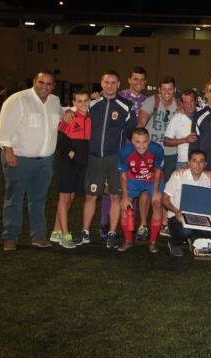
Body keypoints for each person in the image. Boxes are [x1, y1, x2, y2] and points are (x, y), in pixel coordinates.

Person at [0, 71, 63, 251]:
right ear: (34, 81)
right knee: (14, 199)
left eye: (49, 84)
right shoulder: (17, 100)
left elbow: (63, 114)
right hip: (19, 158)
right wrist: (8, 151)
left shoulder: (55, 102)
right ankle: (10, 237)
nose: (44, 86)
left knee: (39, 199)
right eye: (41, 82)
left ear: (53, 86)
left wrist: (71, 112)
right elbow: (4, 127)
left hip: (45, 161)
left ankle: (38, 235)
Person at [76, 70, 137, 248]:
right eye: (106, 82)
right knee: (90, 196)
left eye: (113, 82)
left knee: (115, 197)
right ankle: (85, 232)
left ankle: (111, 233)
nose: (109, 86)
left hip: (114, 159)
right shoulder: (92, 104)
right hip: (95, 158)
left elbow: (130, 133)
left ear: (118, 85)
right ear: (101, 84)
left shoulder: (127, 106)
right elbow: (77, 117)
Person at [135, 76, 179, 242]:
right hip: (151, 152)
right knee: (147, 190)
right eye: (164, 89)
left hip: (170, 153)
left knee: (167, 190)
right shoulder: (151, 101)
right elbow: (141, 122)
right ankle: (143, 225)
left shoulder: (178, 104)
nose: (166, 92)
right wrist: (141, 147)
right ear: (159, 89)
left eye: (170, 89)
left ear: (174, 90)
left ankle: (164, 222)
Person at [50, 90, 91, 249]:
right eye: (79, 101)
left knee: (71, 196)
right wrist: (72, 154)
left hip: (81, 164)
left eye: (85, 100)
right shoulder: (69, 118)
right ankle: (66, 236)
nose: (82, 104)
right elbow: (60, 142)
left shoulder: (90, 119)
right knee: (64, 197)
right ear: (73, 103)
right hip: (67, 163)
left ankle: (56, 232)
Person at [117, 128, 165, 253]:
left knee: (157, 203)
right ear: (132, 141)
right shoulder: (125, 151)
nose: (141, 145)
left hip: (152, 179)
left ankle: (153, 242)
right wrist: (125, 197)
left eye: (144, 142)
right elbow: (123, 175)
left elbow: (159, 171)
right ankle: (128, 241)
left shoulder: (157, 149)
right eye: (137, 142)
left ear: (149, 141)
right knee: (124, 206)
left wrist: (155, 192)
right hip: (133, 179)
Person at [161, 150, 211, 257]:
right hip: (177, 216)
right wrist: (176, 211)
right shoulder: (178, 176)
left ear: (205, 164)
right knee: (186, 230)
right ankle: (174, 243)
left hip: (197, 217)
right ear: (189, 163)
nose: (197, 164)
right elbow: (164, 199)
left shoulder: (207, 179)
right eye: (194, 161)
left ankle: (193, 239)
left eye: (201, 161)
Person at [164, 89, 197, 169]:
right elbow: (166, 141)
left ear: (196, 101)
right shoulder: (177, 117)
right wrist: (185, 140)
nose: (189, 105)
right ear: (182, 103)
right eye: (186, 102)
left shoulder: (203, 114)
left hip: (202, 162)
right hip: (184, 162)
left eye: (191, 101)